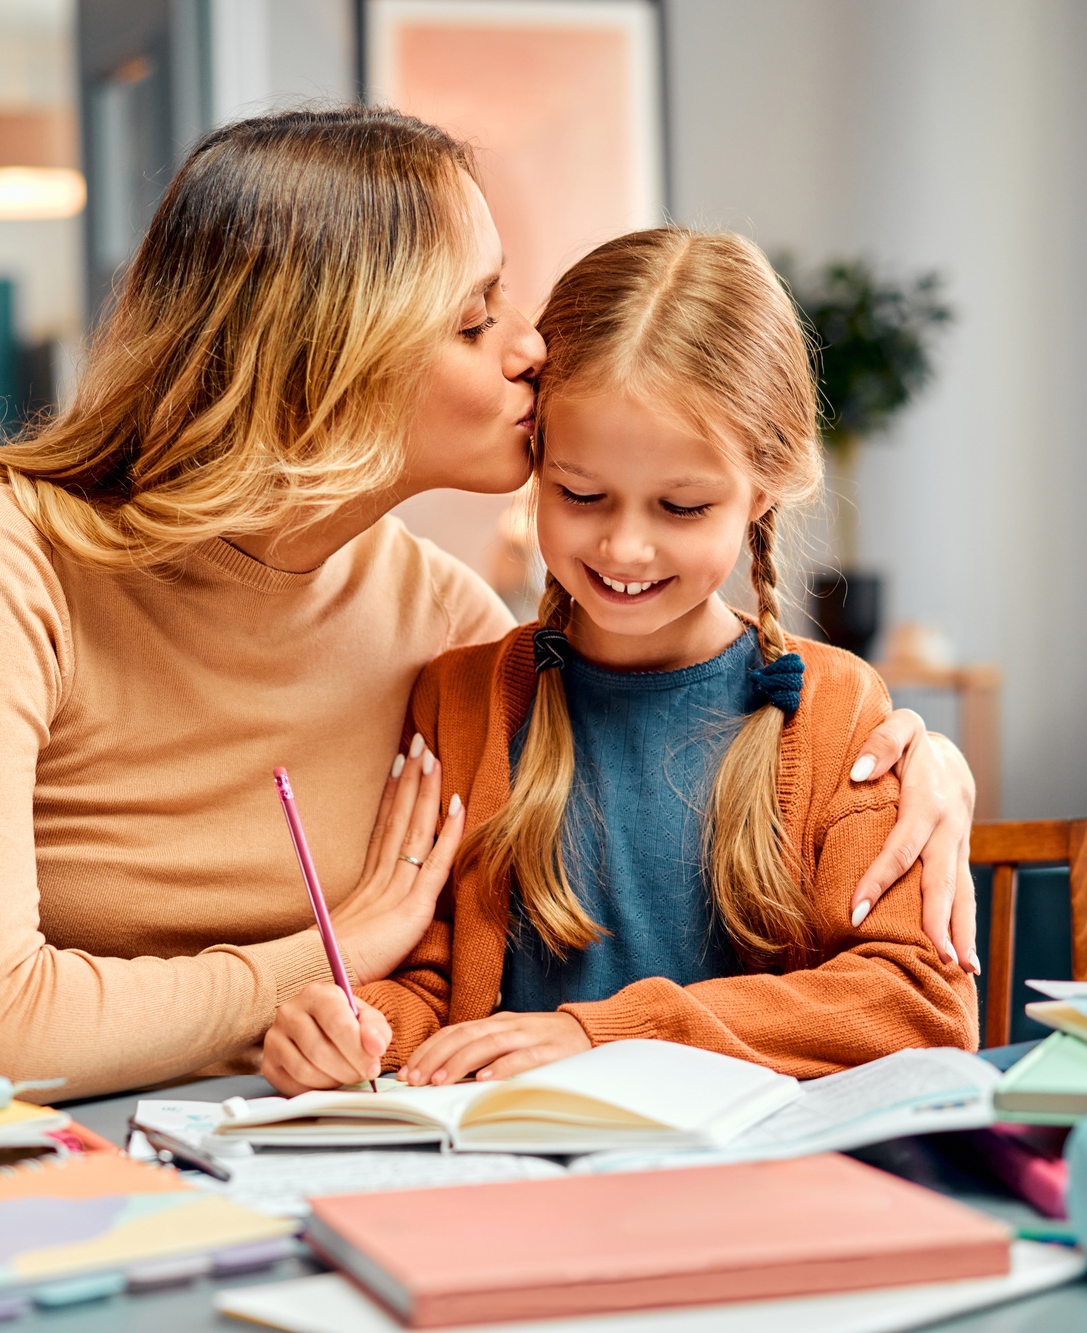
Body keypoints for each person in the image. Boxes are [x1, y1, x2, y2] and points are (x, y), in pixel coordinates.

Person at [0, 107, 979, 1101]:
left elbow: (452, 975)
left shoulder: (448, 630)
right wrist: (329, 954)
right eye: (473, 317)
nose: (533, 346)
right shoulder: (2, 556)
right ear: (325, 355)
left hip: (323, 1135)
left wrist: (917, 756)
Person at [261, 228, 978, 1097]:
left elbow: (921, 1003)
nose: (625, 547)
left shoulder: (833, 710)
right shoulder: (462, 697)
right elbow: (431, 989)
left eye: (682, 505)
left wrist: (604, 1036)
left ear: (767, 483)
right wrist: (353, 1027)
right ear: (536, 462)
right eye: (580, 494)